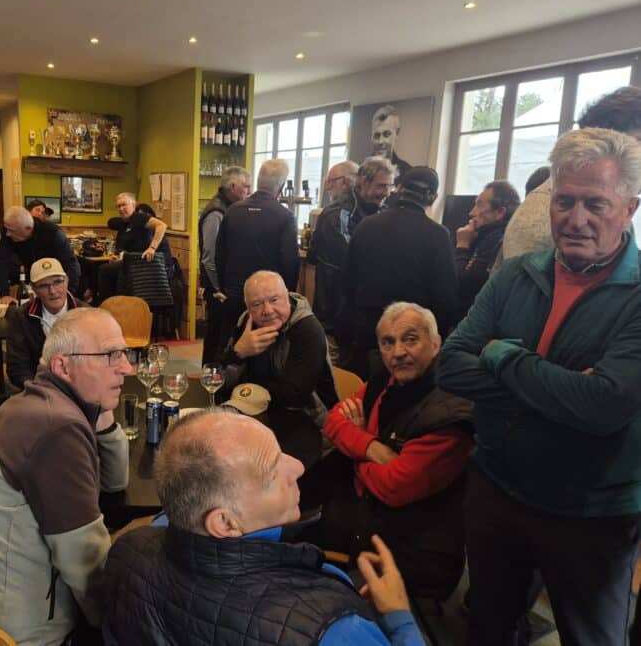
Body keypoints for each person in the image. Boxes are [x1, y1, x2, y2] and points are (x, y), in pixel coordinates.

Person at [438, 127, 641, 646]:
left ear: (630, 207)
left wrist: (504, 354)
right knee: (487, 626)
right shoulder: (514, 275)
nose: (576, 219)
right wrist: (563, 391)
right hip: (497, 488)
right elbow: (451, 367)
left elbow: (605, 406)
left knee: (589, 637)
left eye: (596, 203)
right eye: (565, 201)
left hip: (590, 512)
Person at [102, 410, 426, 646]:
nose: (298, 467)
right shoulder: (331, 630)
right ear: (225, 523)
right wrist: (399, 618)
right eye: (272, 473)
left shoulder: (127, 548)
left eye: (280, 451)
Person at [0, 308, 131, 646]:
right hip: (2, 635)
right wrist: (117, 627)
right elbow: (85, 562)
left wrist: (103, 416)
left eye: (124, 354)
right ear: (63, 366)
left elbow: (114, 482)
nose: (126, 367)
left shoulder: (31, 402)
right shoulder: (57, 428)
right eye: (111, 355)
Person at [305, 302, 473, 599]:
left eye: (410, 339)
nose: (397, 353)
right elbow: (332, 421)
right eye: (388, 342)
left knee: (298, 552)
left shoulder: (451, 413)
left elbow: (393, 487)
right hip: (365, 506)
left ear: (435, 345)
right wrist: (371, 446)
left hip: (413, 542)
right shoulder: (386, 381)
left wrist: (355, 441)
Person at [500, 85, 641, 263]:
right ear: (605, 145)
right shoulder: (540, 220)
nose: (577, 220)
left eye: (596, 205)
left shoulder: (620, 202)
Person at [340, 167, 456, 379]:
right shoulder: (438, 235)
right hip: (412, 341)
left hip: (367, 336)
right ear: (434, 197)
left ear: (399, 189)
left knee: (366, 399)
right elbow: (445, 298)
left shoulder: (366, 226)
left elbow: (347, 283)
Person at [218, 270, 337, 468]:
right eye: (256, 304)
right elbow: (217, 379)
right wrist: (239, 352)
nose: (267, 310)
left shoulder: (307, 329)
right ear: (248, 308)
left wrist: (250, 384)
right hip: (258, 417)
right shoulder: (245, 323)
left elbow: (294, 396)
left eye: (274, 299)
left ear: (288, 296)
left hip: (310, 427)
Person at [215, 159, 299, 356]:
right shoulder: (284, 216)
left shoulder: (233, 211)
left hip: (234, 296)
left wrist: (225, 289)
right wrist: (285, 298)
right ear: (281, 185)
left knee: (231, 352)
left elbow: (220, 256)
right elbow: (290, 263)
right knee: (265, 355)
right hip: (266, 304)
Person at [5, 257, 88, 389]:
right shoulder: (20, 317)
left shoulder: (86, 314)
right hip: (38, 390)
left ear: (67, 281)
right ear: (34, 289)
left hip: (81, 388)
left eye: (58, 282)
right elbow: (17, 368)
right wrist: (39, 389)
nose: (53, 291)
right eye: (44, 286)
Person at [199, 166, 252, 363]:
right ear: (232, 187)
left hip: (224, 286)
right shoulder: (216, 212)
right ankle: (210, 381)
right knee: (216, 338)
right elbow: (209, 257)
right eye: (245, 187)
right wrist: (219, 289)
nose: (249, 191)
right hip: (218, 289)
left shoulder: (229, 209)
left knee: (222, 337)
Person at [307, 161, 358, 342]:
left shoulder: (331, 215)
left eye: (331, 181)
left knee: (332, 363)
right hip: (359, 310)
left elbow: (313, 255)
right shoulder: (373, 211)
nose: (327, 187)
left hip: (331, 305)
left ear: (344, 182)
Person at [454, 180, 520, 319]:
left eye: (479, 205)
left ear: (500, 212)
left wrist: (462, 245)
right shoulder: (484, 236)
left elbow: (461, 286)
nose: (472, 212)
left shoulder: (496, 241)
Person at [0, 205, 80, 303]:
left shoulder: (53, 233)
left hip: (54, 279)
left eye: (12, 231)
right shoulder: (10, 230)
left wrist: (67, 295)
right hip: (31, 279)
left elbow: (71, 265)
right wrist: (4, 294)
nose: (7, 234)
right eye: (7, 229)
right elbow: (1, 262)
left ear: (28, 228)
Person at [97, 192, 168, 303]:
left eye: (124, 205)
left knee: (104, 270)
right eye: (118, 206)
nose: (121, 209)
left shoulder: (139, 217)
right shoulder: (125, 224)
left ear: (133, 206)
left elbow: (162, 225)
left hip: (142, 265)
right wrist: (117, 257)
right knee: (105, 269)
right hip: (130, 262)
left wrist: (152, 248)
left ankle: (106, 307)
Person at [338, 156, 394, 240]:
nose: (387, 193)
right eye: (382, 186)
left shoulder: (384, 213)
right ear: (364, 182)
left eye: (390, 186)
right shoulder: (340, 215)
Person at [370, 105, 411, 180]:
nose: (380, 141)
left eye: (387, 134)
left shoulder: (407, 173)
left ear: (397, 133)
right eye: (377, 135)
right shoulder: (360, 170)